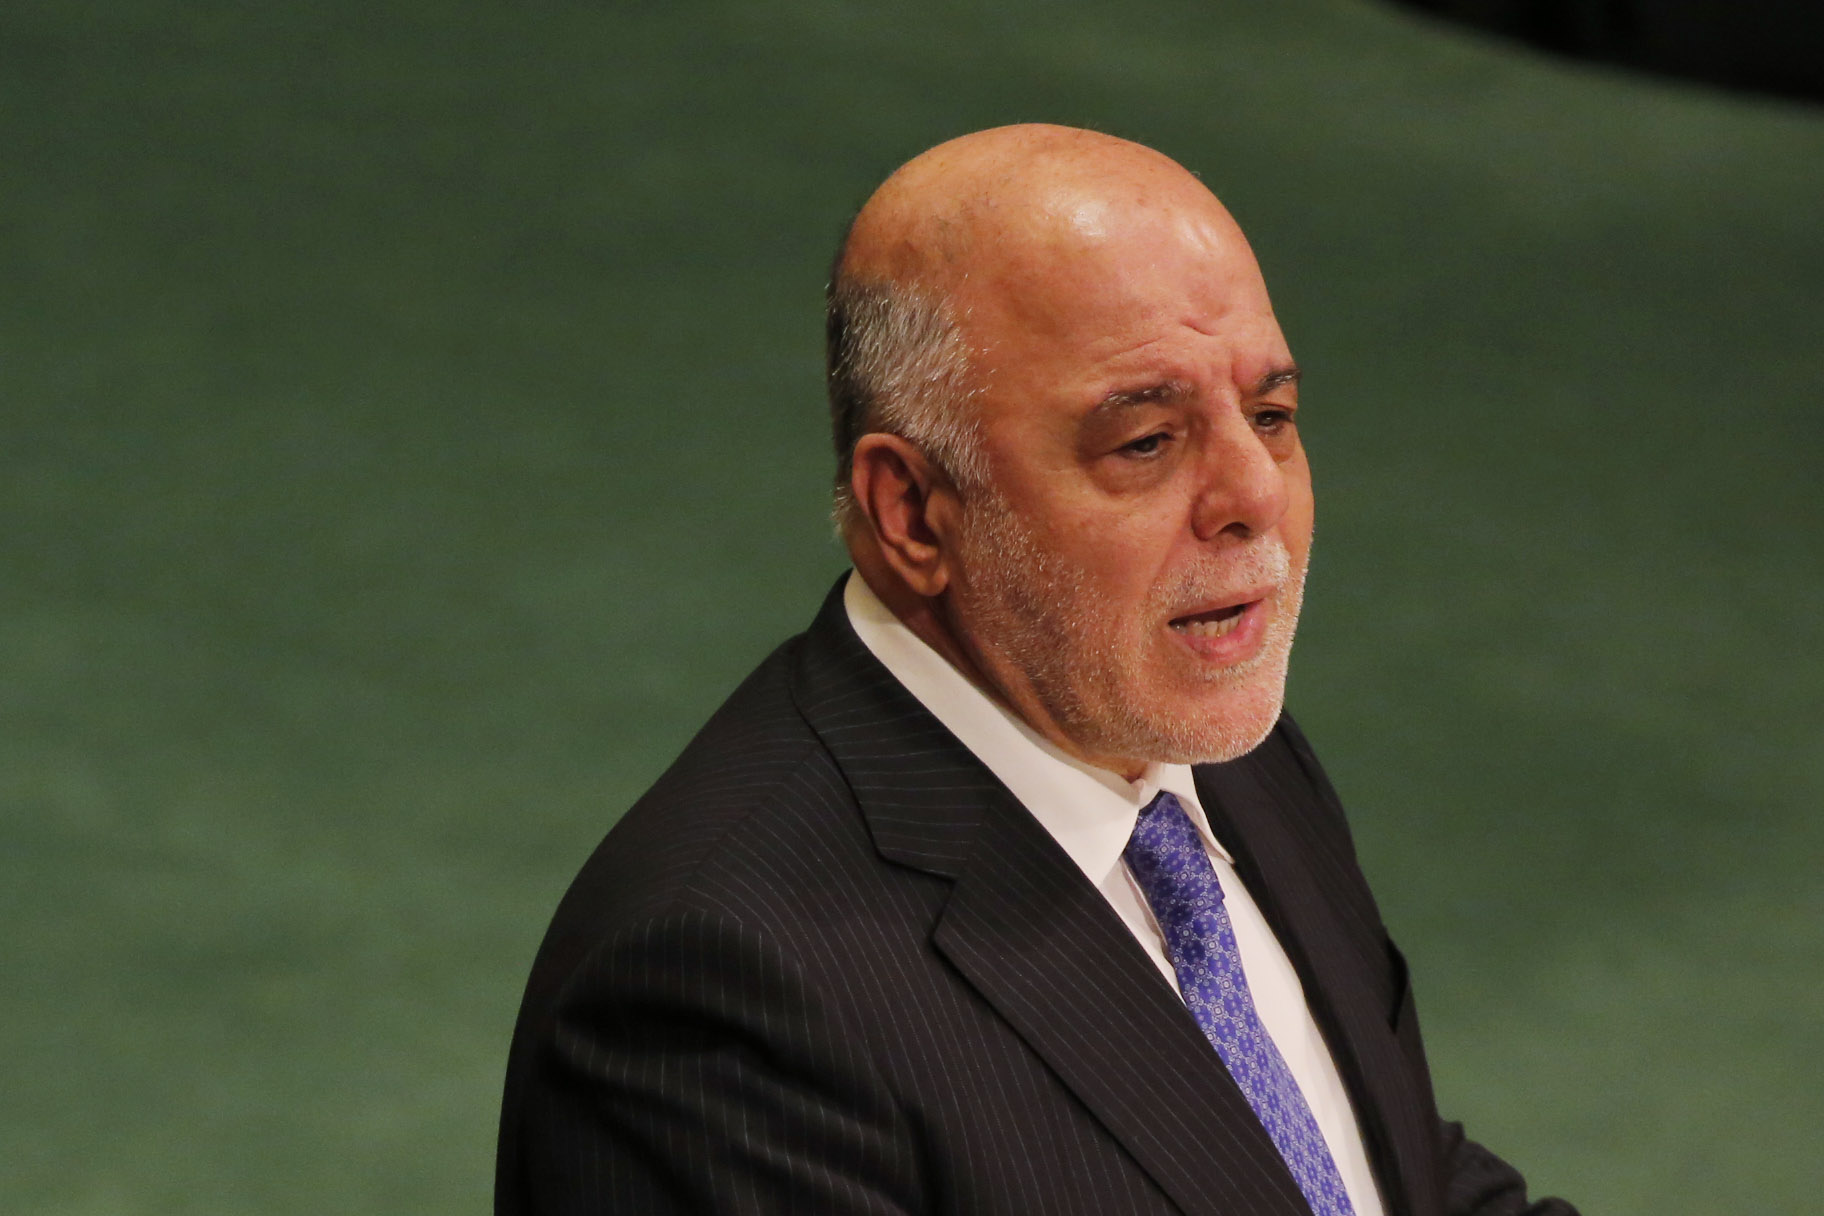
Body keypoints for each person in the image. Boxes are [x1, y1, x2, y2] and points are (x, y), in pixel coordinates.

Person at [496, 124, 1579, 1216]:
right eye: (1146, 442)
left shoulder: (1207, 742)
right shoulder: (717, 1004)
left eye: (1270, 416)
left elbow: (1388, 1170)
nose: (1255, 492)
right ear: (912, 512)